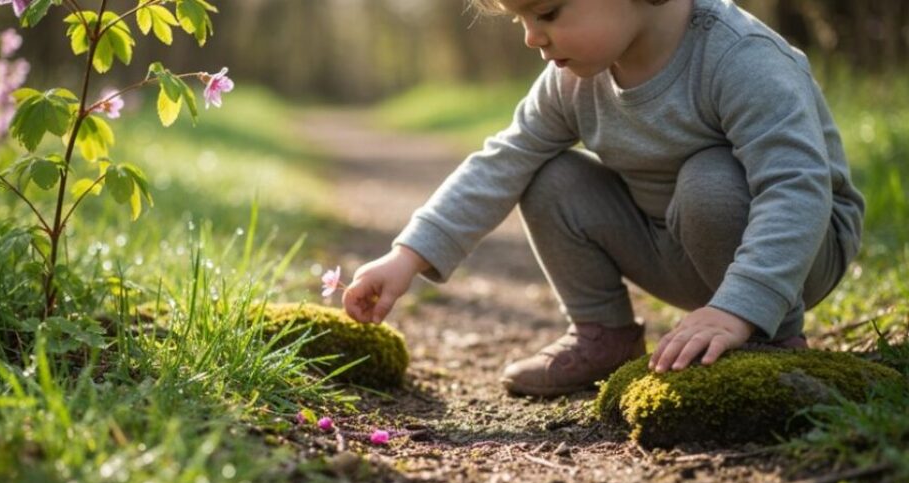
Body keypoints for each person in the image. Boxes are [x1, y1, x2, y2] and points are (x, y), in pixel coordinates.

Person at [342, 0, 863, 397]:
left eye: (546, 11)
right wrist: (407, 256)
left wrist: (742, 305)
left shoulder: (738, 56)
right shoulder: (572, 81)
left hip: (796, 256)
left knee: (710, 177)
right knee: (547, 174)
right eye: (520, 19)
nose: (530, 37)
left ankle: (774, 342)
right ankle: (604, 334)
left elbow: (795, 184)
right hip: (671, 247)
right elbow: (503, 161)